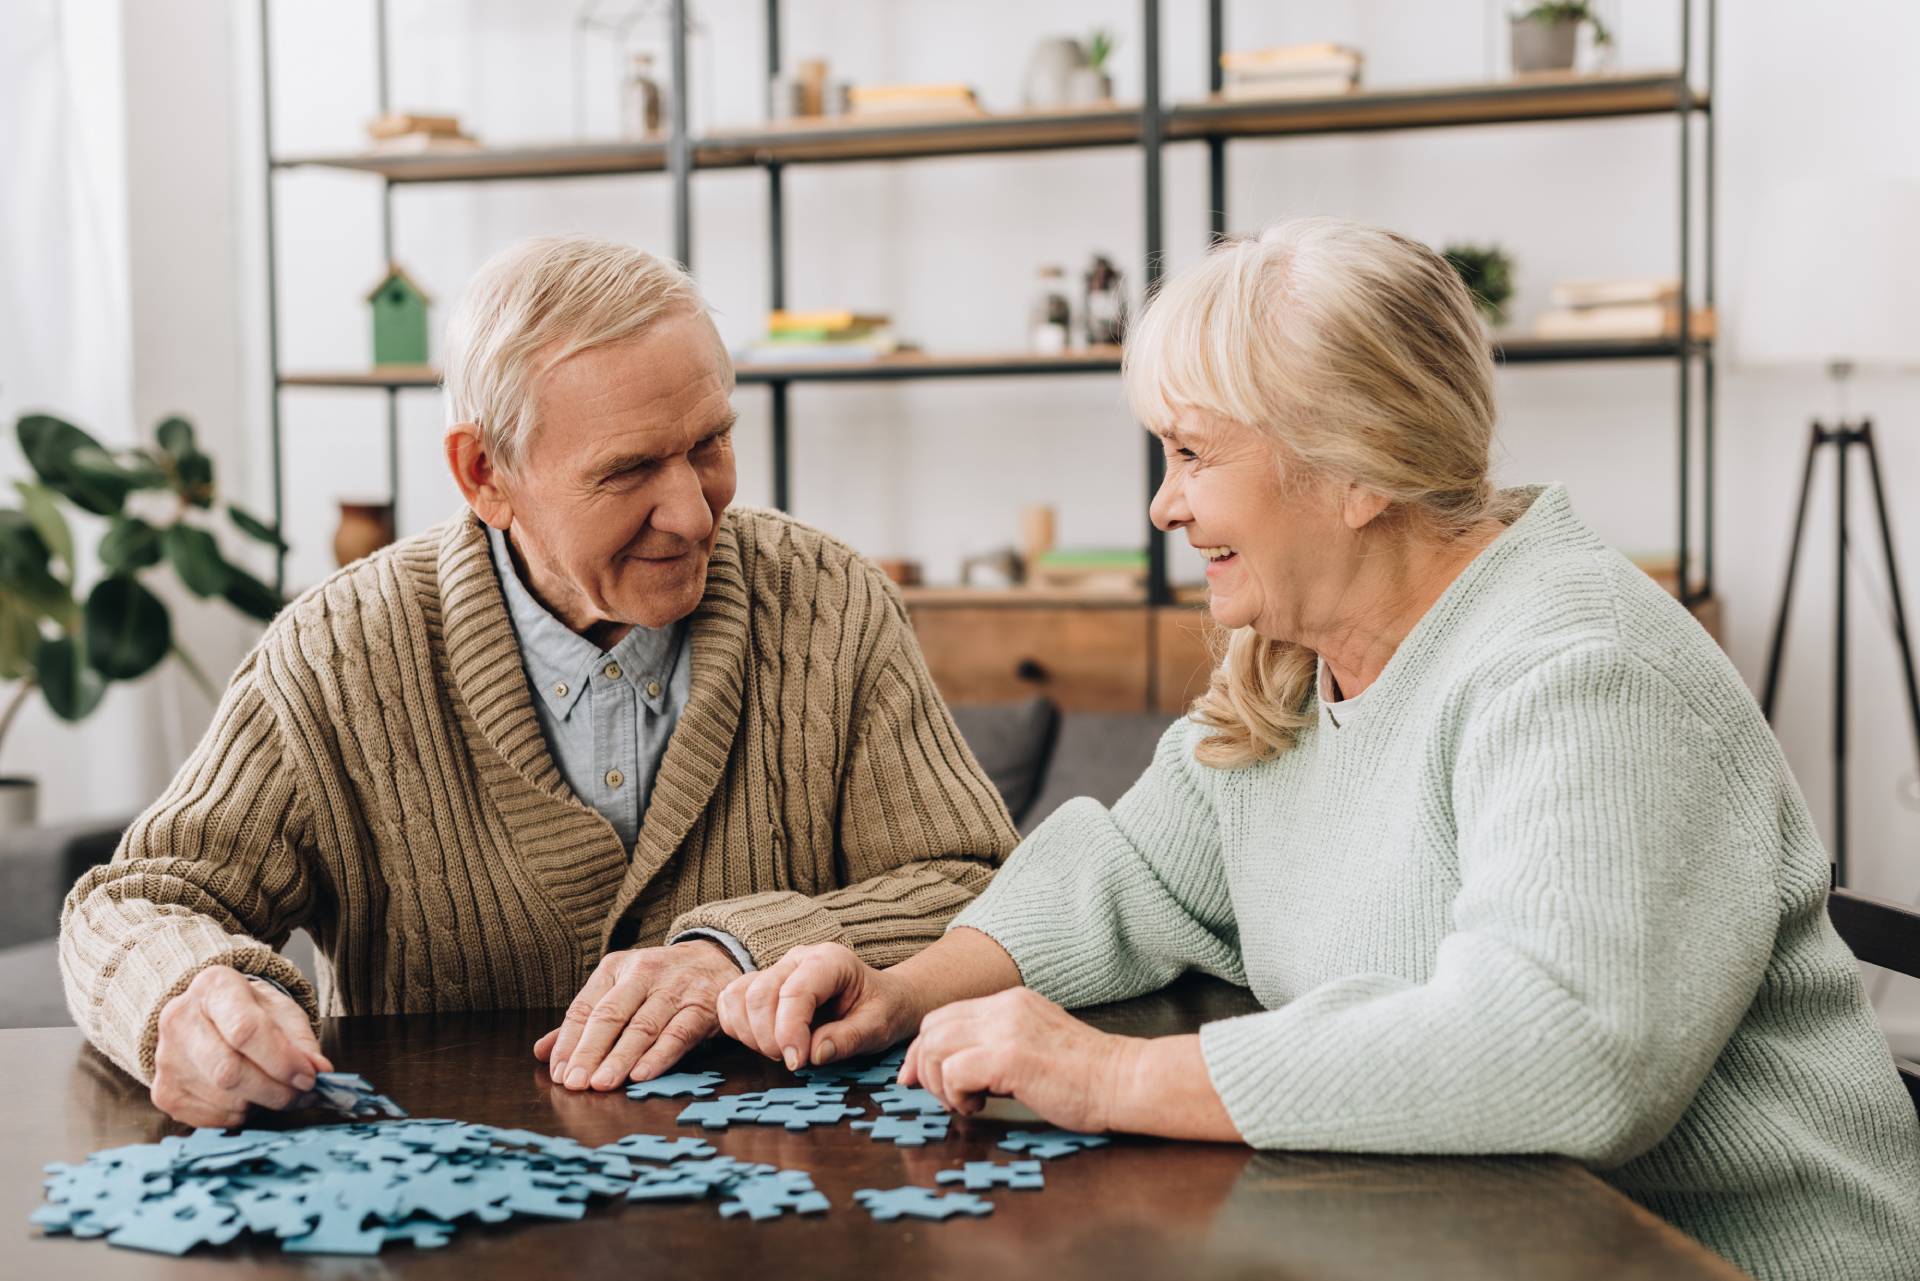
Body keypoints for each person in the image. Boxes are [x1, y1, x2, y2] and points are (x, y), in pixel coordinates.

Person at [714, 218, 1920, 1281]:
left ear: (1354, 466)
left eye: (1192, 454)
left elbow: (1568, 1055)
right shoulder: (1300, 661)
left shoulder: (1586, 670)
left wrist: (1114, 1078)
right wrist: (901, 989)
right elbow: (1129, 874)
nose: (1163, 507)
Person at [59, 234, 1016, 1127]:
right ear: (485, 474)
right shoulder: (336, 653)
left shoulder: (830, 603)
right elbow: (135, 903)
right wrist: (189, 994)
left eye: (709, 444)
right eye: (629, 470)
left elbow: (987, 891)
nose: (691, 513)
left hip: (791, 1214)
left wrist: (734, 953)